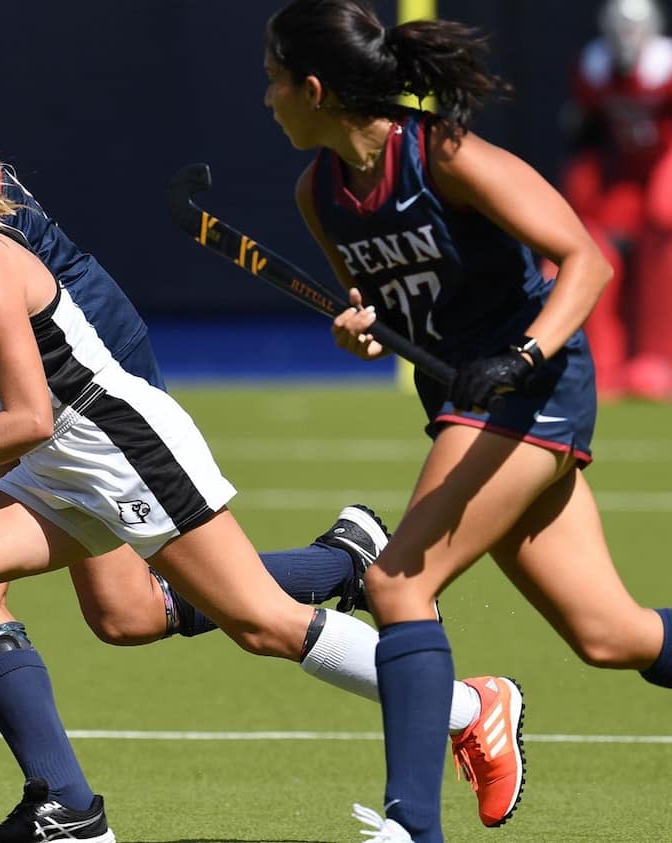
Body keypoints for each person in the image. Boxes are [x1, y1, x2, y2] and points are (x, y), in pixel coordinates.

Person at [0, 13, 520, 843]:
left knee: (259, 622)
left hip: (101, 421)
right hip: (43, 438)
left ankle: (469, 704)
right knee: (24, 597)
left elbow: (5, 374)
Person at [263, 1, 672, 839]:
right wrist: (363, 334)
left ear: (313, 88)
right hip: (462, 402)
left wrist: (521, 356)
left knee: (396, 580)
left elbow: (585, 262)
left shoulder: (442, 153)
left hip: (533, 388)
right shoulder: (321, 193)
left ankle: (412, 824)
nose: (266, 99)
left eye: (272, 82)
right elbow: (385, 318)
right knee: (611, 634)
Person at [557, 0, 672, 401]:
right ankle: (603, 364)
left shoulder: (665, 66)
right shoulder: (594, 68)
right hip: (622, 180)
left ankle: (659, 359)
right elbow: (587, 135)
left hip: (661, 171)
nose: (628, 38)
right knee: (588, 247)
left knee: (665, 221)